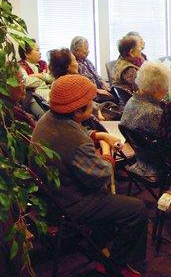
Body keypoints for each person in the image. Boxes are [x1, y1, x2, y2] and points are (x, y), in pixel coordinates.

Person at [31, 75, 148, 277]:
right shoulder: (74, 140)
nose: (94, 104)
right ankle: (116, 263)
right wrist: (105, 150)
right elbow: (101, 174)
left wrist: (98, 135)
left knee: (116, 203)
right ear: (77, 110)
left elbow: (74, 133)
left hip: (48, 196)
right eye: (90, 103)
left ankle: (98, 241)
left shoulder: (47, 120)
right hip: (68, 203)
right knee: (136, 210)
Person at [120, 61, 169, 178]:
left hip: (140, 159)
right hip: (156, 166)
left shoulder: (132, 101)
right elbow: (168, 144)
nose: (167, 91)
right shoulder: (154, 113)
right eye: (166, 87)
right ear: (157, 88)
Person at [71, 36, 114, 100]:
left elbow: (95, 74)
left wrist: (102, 81)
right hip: (91, 95)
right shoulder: (73, 65)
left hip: (100, 89)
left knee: (115, 92)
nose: (88, 52)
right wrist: (96, 90)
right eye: (85, 50)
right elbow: (80, 85)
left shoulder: (86, 60)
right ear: (76, 50)